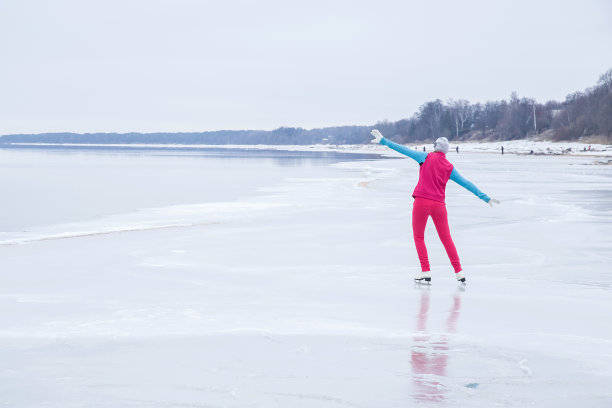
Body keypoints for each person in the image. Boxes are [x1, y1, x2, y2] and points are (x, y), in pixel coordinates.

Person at [370, 129, 500, 284]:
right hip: (439, 206)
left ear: (435, 146)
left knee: (419, 237)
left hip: (422, 202)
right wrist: (485, 198)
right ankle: (459, 272)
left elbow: (404, 149)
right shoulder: (449, 167)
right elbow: (466, 183)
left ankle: (425, 270)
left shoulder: (425, 157)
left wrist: (384, 140)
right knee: (446, 239)